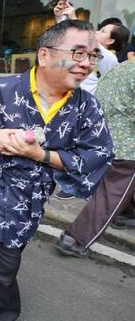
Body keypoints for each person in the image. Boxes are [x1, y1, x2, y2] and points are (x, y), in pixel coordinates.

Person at [0, 20, 114, 321]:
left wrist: (43, 154)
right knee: (6, 263)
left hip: (34, 199)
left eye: (93, 55)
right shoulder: (2, 89)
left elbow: (98, 154)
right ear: (45, 55)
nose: (87, 64)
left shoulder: (87, 106)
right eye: (78, 53)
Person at [56, 59, 135, 257]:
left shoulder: (124, 66)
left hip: (103, 136)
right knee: (111, 193)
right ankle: (75, 239)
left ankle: (126, 214)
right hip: (127, 145)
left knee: (117, 189)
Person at [53, 0, 129, 201]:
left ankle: (75, 184)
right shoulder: (85, 50)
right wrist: (60, 17)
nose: (97, 32)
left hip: (83, 111)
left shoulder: (110, 60)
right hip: (65, 102)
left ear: (111, 41)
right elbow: (61, 44)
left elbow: (88, 42)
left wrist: (74, 16)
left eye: (103, 31)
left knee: (77, 148)